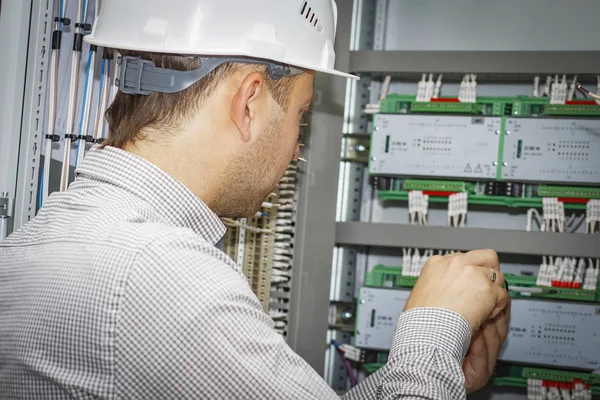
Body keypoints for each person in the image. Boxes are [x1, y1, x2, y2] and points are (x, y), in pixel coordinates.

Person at [0, 0, 511, 398]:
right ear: (249, 102)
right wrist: (436, 330)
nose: (297, 150)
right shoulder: (169, 283)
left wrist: (432, 375)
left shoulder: (40, 240)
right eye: (301, 118)